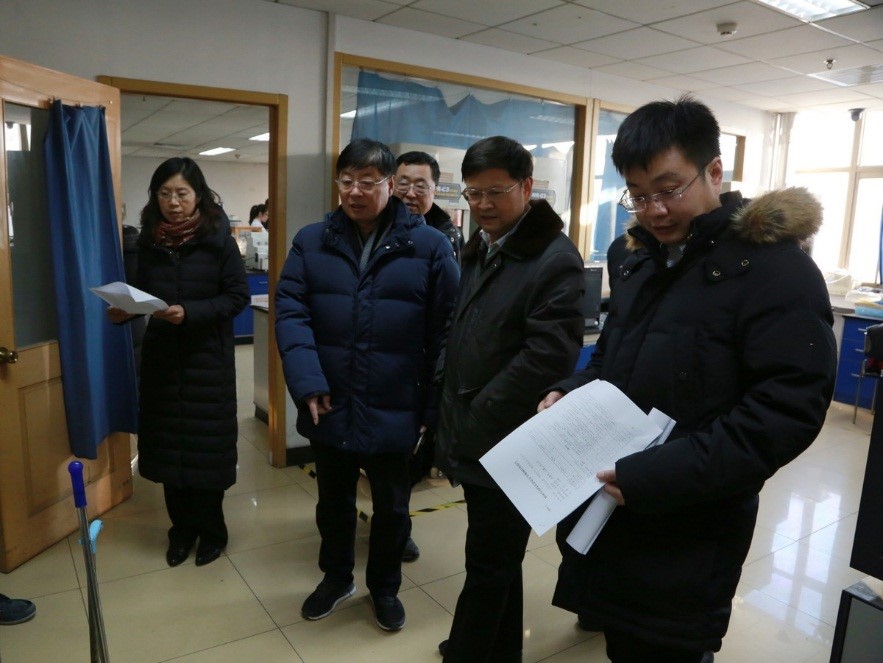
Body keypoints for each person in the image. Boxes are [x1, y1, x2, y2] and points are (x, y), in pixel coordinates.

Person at [539, 96, 838, 661]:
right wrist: (569, 393)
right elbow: (610, 360)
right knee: (622, 643)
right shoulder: (635, 259)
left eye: (670, 189)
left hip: (693, 527)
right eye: (638, 194)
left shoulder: (774, 270)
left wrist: (654, 476)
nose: (654, 210)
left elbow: (784, 413)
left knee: (666, 647)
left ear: (714, 171)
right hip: (611, 507)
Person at [275, 138, 458, 632]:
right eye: (346, 181)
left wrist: (432, 406)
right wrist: (307, 381)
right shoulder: (312, 241)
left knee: (393, 507)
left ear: (390, 185)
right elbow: (291, 312)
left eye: (368, 182)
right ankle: (336, 578)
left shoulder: (429, 246)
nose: (355, 191)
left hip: (397, 400)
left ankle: (385, 588)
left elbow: (447, 331)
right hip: (329, 398)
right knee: (333, 502)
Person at [434, 136, 585, 662]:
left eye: (495, 192)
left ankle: (468, 651)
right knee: (496, 558)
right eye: (472, 193)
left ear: (526, 187)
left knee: (488, 561)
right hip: (476, 428)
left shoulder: (553, 258)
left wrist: (479, 409)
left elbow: (549, 355)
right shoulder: (482, 245)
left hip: (511, 437)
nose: (482, 205)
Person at [107, 157, 248, 569]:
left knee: (206, 453)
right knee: (170, 453)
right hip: (163, 361)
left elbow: (237, 297)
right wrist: (125, 310)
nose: (173, 202)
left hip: (207, 361)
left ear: (198, 195)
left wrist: (190, 312)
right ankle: (181, 531)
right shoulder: (149, 241)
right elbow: (142, 293)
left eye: (181, 193)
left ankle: (213, 532)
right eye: (164, 193)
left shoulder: (219, 239)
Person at [392, 150, 464, 563]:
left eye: (421, 185)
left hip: (426, 364)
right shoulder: (378, 228)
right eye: (403, 183)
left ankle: (398, 529)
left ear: (435, 190)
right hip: (386, 359)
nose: (410, 193)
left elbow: (451, 310)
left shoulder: (446, 236)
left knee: (411, 457)